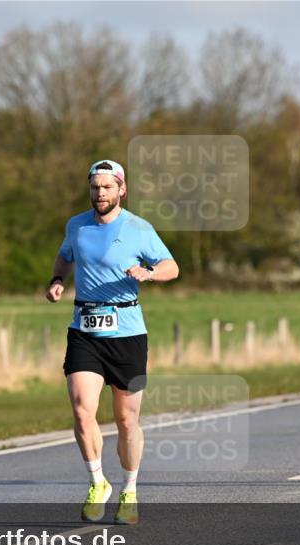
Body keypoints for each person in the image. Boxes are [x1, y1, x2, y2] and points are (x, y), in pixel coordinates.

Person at [46, 159, 179, 523]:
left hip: (127, 334)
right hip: (85, 330)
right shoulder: (77, 226)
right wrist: (57, 280)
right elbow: (64, 256)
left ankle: (130, 490)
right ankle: (96, 481)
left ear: (122, 189)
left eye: (107, 187)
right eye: (94, 187)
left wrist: (148, 273)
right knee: (81, 409)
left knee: (125, 420)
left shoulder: (138, 228)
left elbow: (172, 266)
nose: (100, 193)